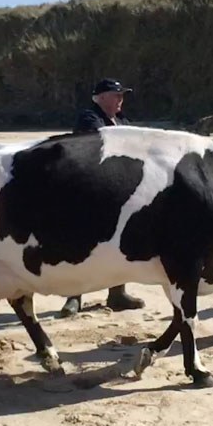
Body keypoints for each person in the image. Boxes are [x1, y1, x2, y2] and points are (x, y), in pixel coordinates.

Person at [60, 78, 147, 317]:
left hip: (116, 190)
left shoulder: (122, 121)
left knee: (117, 243)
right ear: (100, 98)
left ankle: (117, 293)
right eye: (115, 95)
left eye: (122, 95)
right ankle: (73, 296)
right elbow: (105, 141)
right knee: (82, 244)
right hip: (87, 190)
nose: (120, 99)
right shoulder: (89, 117)